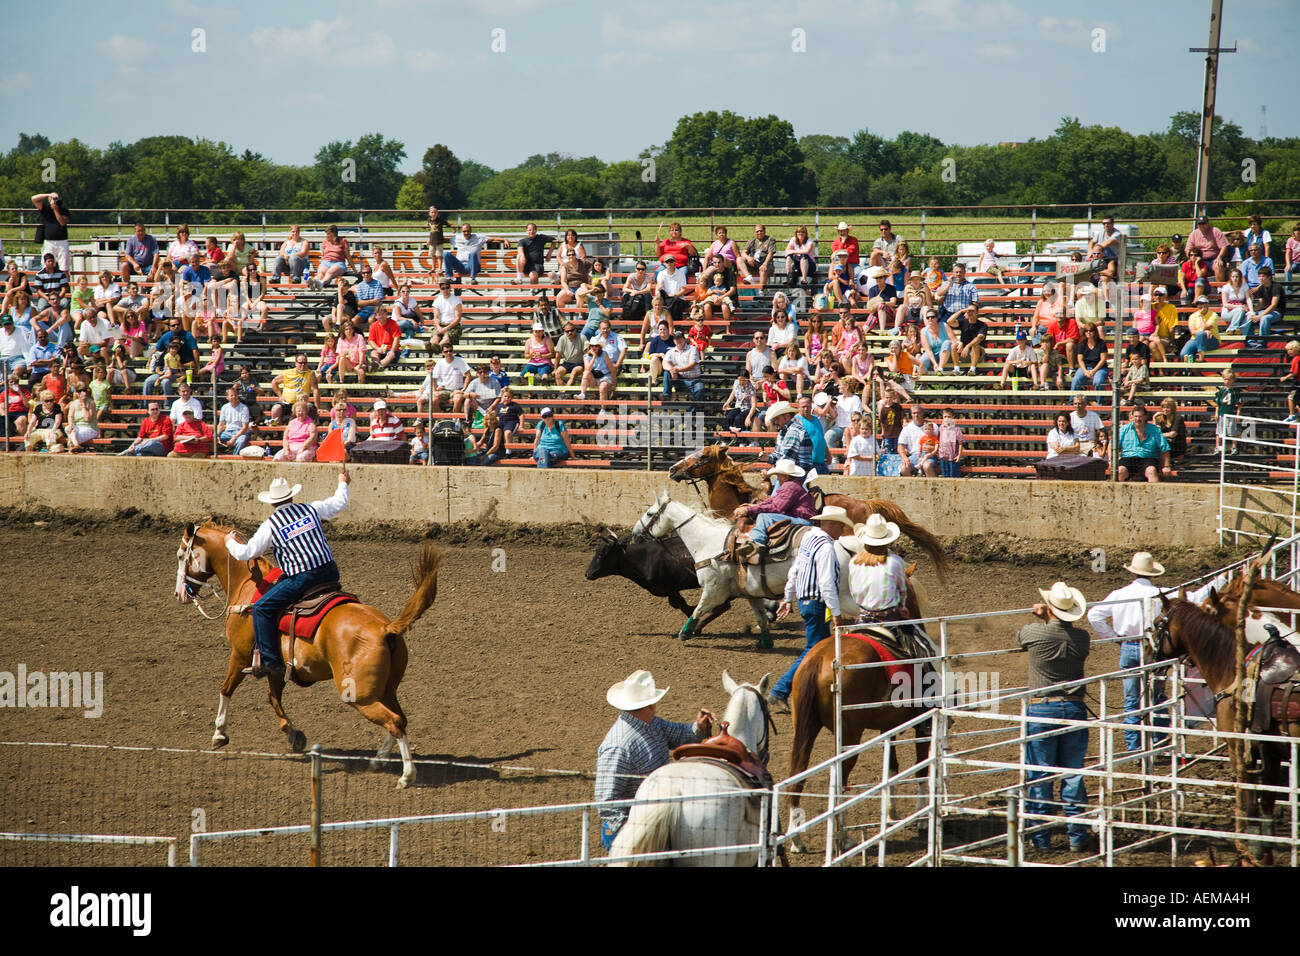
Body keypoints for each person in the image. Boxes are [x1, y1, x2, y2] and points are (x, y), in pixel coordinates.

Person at [1088, 553, 1226, 754]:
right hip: (1155, 647)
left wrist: (1115, 638)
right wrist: (1221, 578)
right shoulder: (1161, 594)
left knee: (1132, 699)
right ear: (1152, 573)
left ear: (1133, 572)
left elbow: (1094, 615)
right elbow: (1195, 598)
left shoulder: (1119, 593)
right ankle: (1159, 743)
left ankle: (1134, 747)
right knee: (1157, 695)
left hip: (1129, 646)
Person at [225, 467, 351, 679]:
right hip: (330, 572)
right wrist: (343, 481)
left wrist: (229, 542)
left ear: (272, 503)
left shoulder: (270, 525)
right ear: (291, 497)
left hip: (302, 579)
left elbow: (247, 553)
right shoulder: (311, 509)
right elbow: (339, 503)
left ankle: (272, 663)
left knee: (261, 608)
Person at [594, 669, 714, 851]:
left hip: (654, 822)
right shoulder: (618, 746)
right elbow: (607, 802)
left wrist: (698, 727)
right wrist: (632, 836)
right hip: (631, 828)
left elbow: (681, 734)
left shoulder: (652, 724)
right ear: (650, 705)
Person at [1017, 581, 1091, 852]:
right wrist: (1050, 617)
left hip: (1042, 708)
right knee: (1072, 773)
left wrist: (1042, 618)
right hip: (1074, 707)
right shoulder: (1082, 638)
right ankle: (1077, 836)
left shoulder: (1035, 632)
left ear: (1049, 608)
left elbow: (1020, 637)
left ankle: (1041, 838)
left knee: (1040, 774)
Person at [768, 506, 858, 710]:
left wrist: (787, 597)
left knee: (818, 646)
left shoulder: (810, 540)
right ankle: (780, 690)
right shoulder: (826, 548)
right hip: (816, 603)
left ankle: (812, 688)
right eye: (841, 526)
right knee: (813, 649)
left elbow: (795, 570)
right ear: (833, 524)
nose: (843, 531)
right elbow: (826, 583)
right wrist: (837, 614)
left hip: (805, 601)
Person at [733, 459, 816, 555]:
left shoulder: (790, 486)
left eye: (778, 475)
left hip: (802, 520)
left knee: (764, 517)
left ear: (785, 476)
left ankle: (756, 541)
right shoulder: (792, 484)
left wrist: (749, 509)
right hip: (801, 518)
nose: (777, 478)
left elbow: (777, 507)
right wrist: (755, 506)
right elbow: (772, 500)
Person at [1116, 404, 1171, 482]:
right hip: (1128, 458)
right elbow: (1112, 445)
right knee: (1120, 470)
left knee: (1151, 471)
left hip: (1148, 459)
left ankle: (1155, 494)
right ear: (1132, 417)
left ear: (1145, 417)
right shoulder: (1124, 429)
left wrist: (1166, 466)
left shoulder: (1154, 430)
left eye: (1140, 416)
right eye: (1136, 416)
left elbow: (1165, 448)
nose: (1138, 419)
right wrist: (1110, 460)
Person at [662, 330, 703, 408]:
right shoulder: (671, 351)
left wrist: (677, 370)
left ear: (684, 339)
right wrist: (672, 370)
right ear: (674, 341)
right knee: (666, 372)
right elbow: (664, 363)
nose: (678, 340)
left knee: (700, 390)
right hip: (679, 379)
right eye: (676, 339)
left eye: (680, 338)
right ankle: (666, 395)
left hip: (694, 379)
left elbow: (692, 365)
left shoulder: (692, 349)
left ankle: (691, 411)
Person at [31, 192, 71, 271]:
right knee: (46, 265)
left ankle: (65, 282)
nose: (55, 200)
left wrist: (56, 209)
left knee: (64, 267)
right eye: (53, 199)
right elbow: (34, 199)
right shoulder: (45, 209)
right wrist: (48, 195)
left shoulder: (64, 211)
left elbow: (62, 222)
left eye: (56, 199)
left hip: (62, 241)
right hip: (49, 241)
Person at [1209, 367, 1243, 455]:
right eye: (1225, 379)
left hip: (1231, 414)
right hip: (1221, 414)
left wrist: (1238, 414)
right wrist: (1216, 413)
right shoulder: (1221, 391)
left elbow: (1239, 404)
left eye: (1229, 379)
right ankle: (1217, 447)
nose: (1227, 381)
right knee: (1219, 432)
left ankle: (1234, 447)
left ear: (1233, 380)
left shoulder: (1235, 392)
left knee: (1232, 431)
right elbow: (1217, 403)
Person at [1179, 296, 1220, 362]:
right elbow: (1192, 332)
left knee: (1201, 334)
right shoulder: (1193, 316)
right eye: (1198, 304)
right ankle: (1191, 371)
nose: (1200, 306)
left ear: (1207, 304)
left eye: (1202, 303)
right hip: (1195, 339)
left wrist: (1200, 316)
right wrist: (1204, 332)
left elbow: (1205, 327)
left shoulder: (1213, 315)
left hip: (1211, 340)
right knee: (1184, 354)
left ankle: (1201, 357)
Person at [218, 385, 253, 455]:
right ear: (227, 397)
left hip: (240, 432)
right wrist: (217, 435)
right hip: (227, 432)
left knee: (241, 441)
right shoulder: (224, 407)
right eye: (231, 395)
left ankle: (234, 457)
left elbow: (245, 427)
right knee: (211, 438)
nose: (234, 397)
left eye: (235, 395)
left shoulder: (244, 408)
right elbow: (221, 424)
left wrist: (234, 438)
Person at [937, 407, 963, 477]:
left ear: (953, 417)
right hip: (943, 456)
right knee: (945, 474)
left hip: (953, 457)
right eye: (945, 417)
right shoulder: (941, 428)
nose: (947, 419)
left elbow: (960, 443)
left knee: (953, 475)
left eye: (949, 417)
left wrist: (959, 455)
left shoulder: (956, 429)